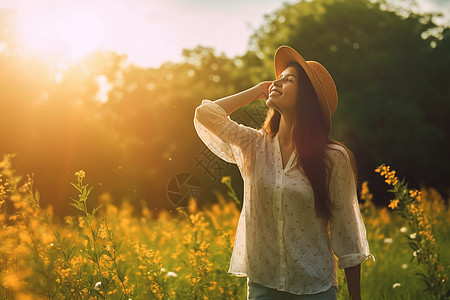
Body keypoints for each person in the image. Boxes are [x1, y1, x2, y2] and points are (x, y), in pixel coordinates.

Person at [193, 45, 374, 300]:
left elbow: (347, 234)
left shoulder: (333, 158)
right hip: (262, 286)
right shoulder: (253, 145)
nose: (277, 82)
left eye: (288, 80)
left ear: (307, 98)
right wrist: (258, 90)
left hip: (315, 289)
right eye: (277, 78)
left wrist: (355, 298)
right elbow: (206, 114)